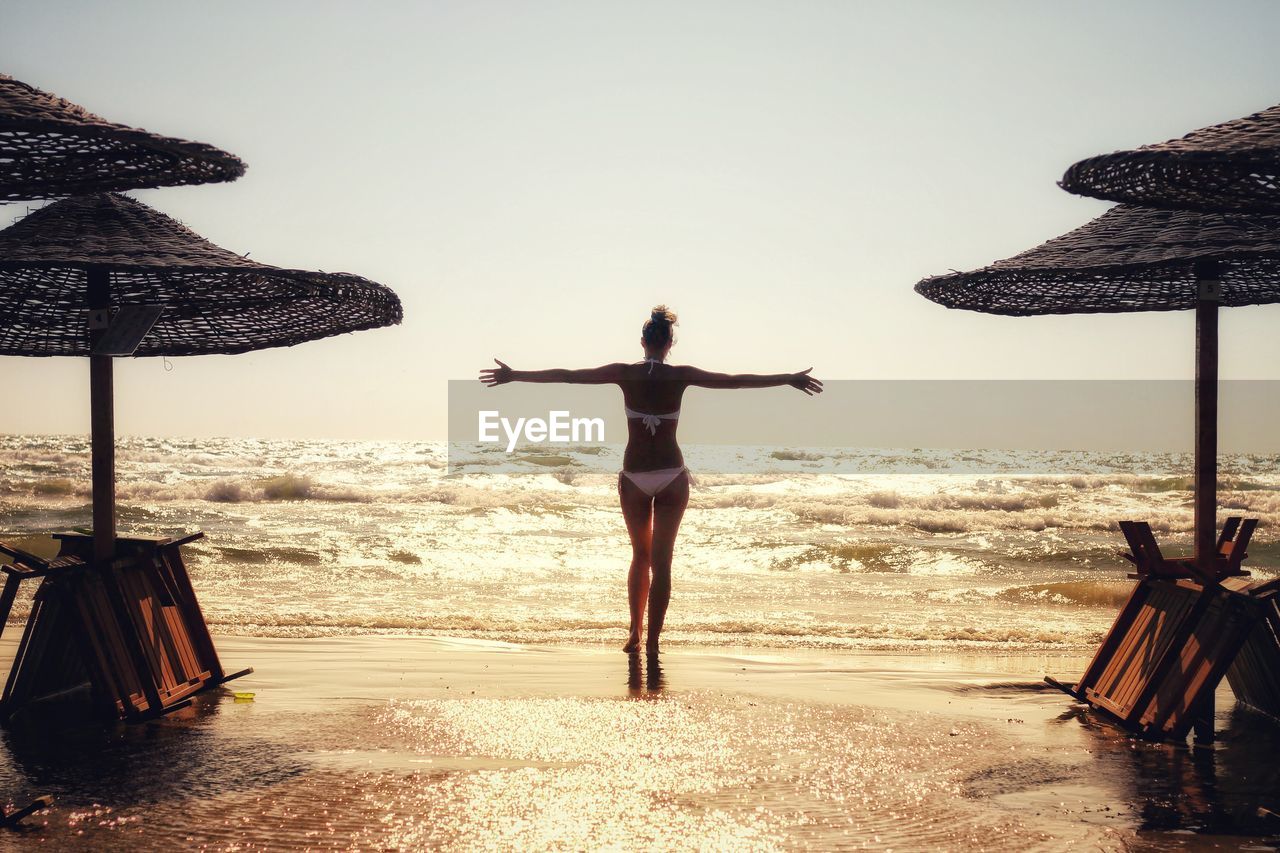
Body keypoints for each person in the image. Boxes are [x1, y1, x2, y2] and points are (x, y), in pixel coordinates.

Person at [479, 305, 822, 654]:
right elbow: (734, 382)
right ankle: (654, 641)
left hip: (635, 476)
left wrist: (514, 375)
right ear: (670, 343)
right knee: (663, 563)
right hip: (672, 475)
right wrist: (788, 378)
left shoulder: (625, 373)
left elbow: (568, 375)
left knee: (640, 557)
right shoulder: (679, 375)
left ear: (643, 341)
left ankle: (635, 634)